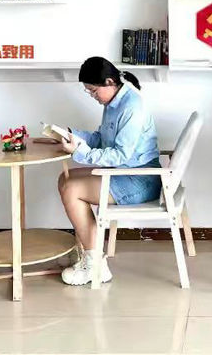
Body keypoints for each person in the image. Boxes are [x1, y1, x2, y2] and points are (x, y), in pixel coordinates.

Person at [57, 56, 162, 286]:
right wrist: (71, 134)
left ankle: (95, 266)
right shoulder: (113, 103)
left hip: (140, 179)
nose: (92, 96)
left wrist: (79, 152)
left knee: (72, 189)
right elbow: (102, 139)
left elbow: (120, 155)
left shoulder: (132, 107)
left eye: (93, 91)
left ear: (109, 82)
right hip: (124, 172)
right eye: (88, 92)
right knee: (65, 179)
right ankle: (90, 254)